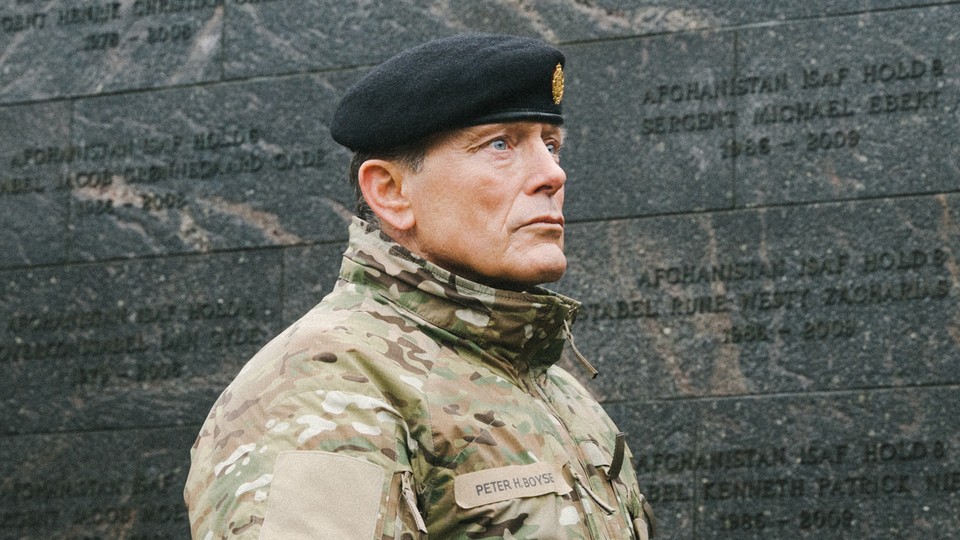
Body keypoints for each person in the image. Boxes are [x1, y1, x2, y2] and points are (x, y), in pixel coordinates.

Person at [184, 33, 655, 539]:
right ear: (391, 192)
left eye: (551, 144)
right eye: (501, 144)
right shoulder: (324, 387)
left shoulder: (556, 389)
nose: (552, 174)